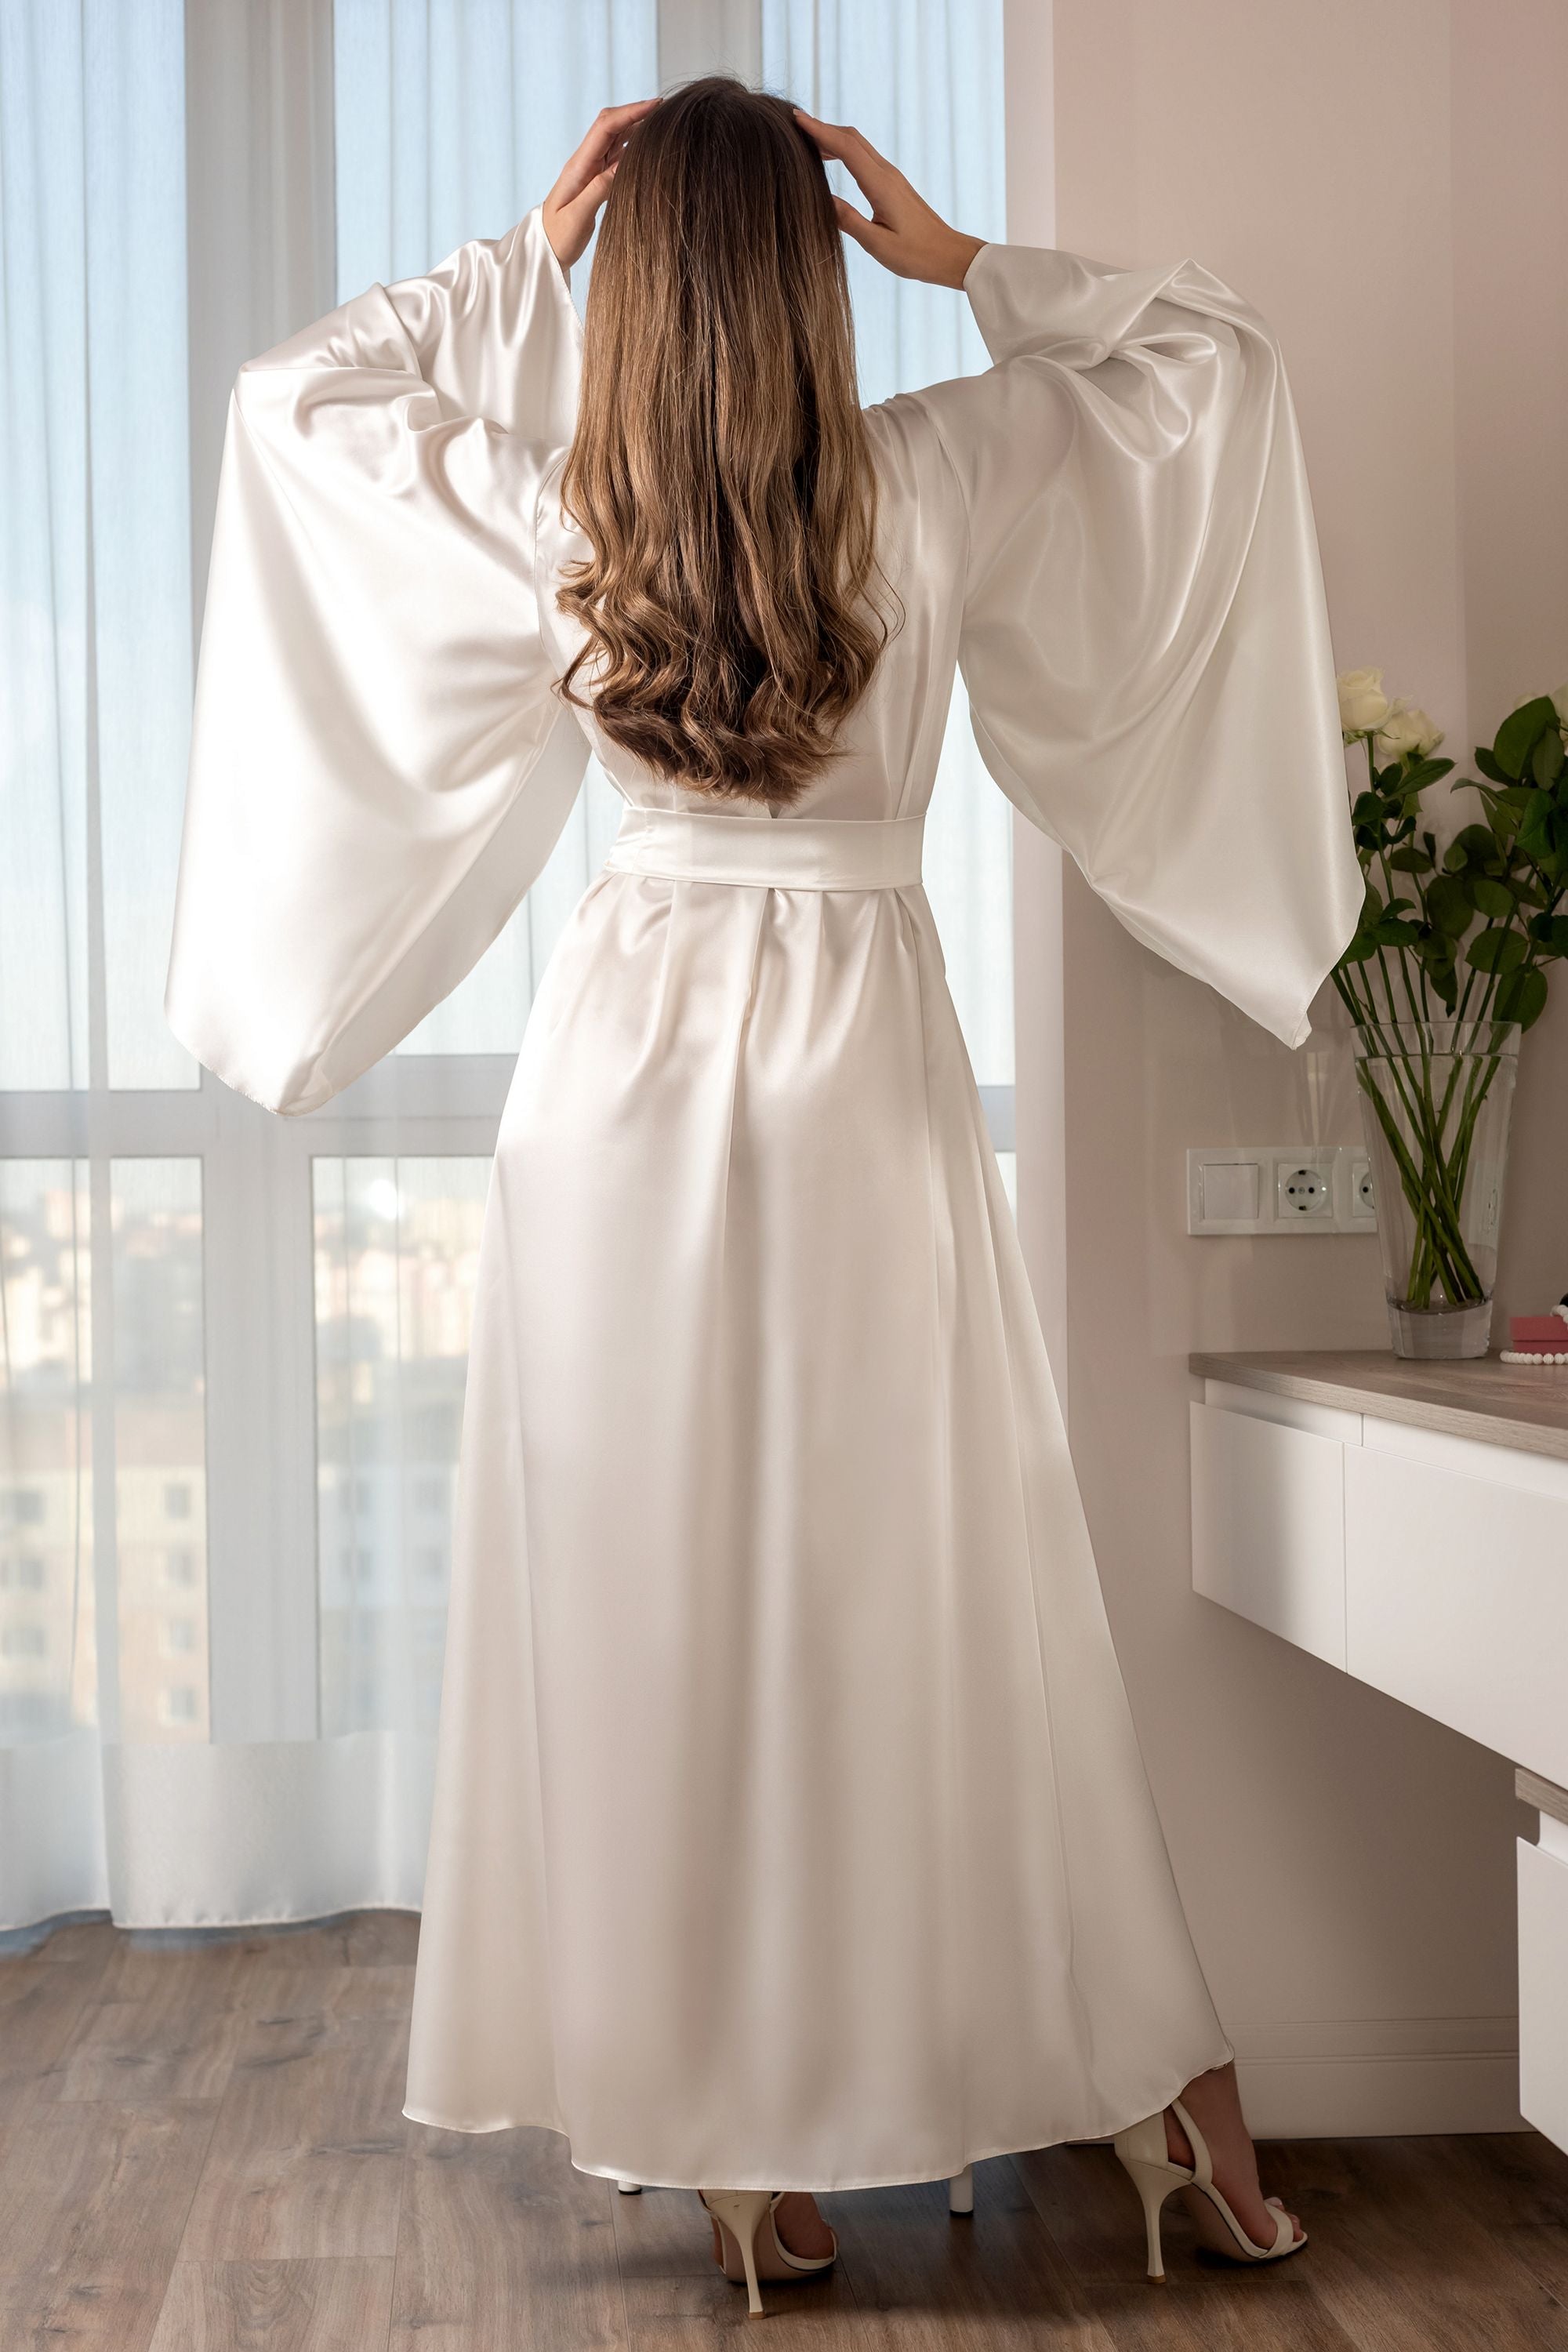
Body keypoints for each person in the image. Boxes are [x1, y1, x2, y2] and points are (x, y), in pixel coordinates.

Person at [165, 78, 1362, 2315]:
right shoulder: (938, 471)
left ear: (638, 287)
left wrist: (517, 259)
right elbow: (1213, 365)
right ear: (813, 275)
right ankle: (1166, 2101)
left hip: (620, 1078)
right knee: (941, 1602)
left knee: (670, 1622)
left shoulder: (556, 511)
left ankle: (752, 2150)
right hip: (858, 1058)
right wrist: (962, 263)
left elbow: (288, 402)